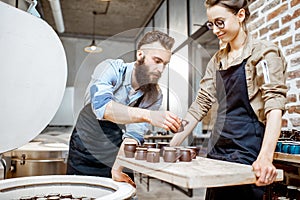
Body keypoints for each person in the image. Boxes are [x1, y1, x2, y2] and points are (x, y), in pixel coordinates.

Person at [170, 0, 287, 199]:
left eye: (220, 22)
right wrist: (170, 147)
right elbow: (200, 104)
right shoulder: (217, 60)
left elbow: (274, 106)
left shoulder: (264, 53)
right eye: (211, 24)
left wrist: (265, 158)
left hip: (248, 151)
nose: (215, 30)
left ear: (240, 15)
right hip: (218, 149)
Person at [66, 30, 181, 187]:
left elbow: (132, 135)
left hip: (115, 145)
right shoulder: (110, 69)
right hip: (85, 144)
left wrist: (118, 167)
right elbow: (103, 108)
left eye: (165, 64)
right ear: (140, 55)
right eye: (156, 60)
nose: (160, 69)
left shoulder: (154, 96)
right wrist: (148, 115)